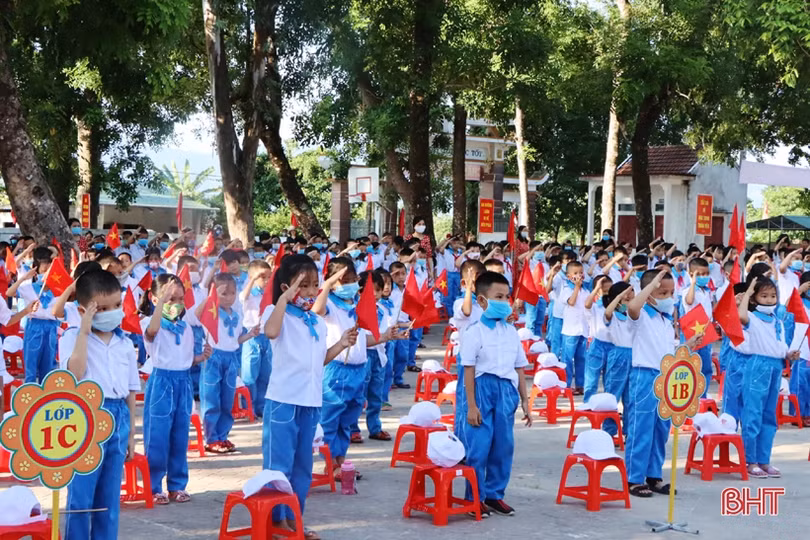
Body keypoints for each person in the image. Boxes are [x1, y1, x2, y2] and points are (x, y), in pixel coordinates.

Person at [261, 255, 356, 539]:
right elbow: (271, 331)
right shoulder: (275, 313)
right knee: (278, 465)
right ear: (285, 287)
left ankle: (294, 518)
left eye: (314, 285)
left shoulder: (316, 321)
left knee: (302, 466)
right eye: (303, 285)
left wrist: (341, 344)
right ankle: (274, 520)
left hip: (310, 402)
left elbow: (319, 361)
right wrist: (283, 300)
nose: (311, 291)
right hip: (283, 401)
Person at [60, 270, 139, 540]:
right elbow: (74, 374)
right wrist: (83, 330)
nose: (113, 312)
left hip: (118, 416)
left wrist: (131, 434)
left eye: (117, 305)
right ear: (83, 309)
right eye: (102, 309)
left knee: (109, 498)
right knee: (81, 497)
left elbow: (130, 391)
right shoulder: (71, 337)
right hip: (86, 416)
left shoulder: (124, 343)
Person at [457, 271, 531, 517]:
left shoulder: (510, 331)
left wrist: (525, 402)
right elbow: (469, 369)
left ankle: (494, 495)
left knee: (503, 446)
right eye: (498, 296)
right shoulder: (474, 332)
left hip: (506, 390)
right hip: (482, 389)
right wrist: (471, 406)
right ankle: (474, 497)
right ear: (481, 301)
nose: (505, 301)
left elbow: (519, 368)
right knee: (479, 447)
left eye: (507, 296)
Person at [625, 269, 699, 497]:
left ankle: (653, 475)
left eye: (671, 292)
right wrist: (649, 285)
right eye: (663, 292)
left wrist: (687, 346)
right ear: (649, 295)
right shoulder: (641, 316)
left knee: (660, 429)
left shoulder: (666, 321)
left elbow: (669, 352)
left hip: (666, 377)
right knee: (641, 427)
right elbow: (632, 307)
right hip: (645, 375)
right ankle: (634, 478)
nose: (669, 297)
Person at [140, 274, 212, 505]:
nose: (176, 304)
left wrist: (201, 357)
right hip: (162, 382)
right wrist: (160, 304)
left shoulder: (186, 327)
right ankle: (153, 485)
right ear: (155, 298)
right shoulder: (150, 322)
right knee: (157, 436)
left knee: (180, 434)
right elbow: (151, 332)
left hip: (183, 383)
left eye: (180, 299)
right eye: (170, 299)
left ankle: (177, 485)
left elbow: (185, 359)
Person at [738, 276, 798, 478]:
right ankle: (750, 460)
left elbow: (779, 346)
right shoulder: (752, 318)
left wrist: (789, 354)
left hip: (775, 366)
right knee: (753, 413)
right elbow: (740, 315)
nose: (769, 300)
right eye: (764, 296)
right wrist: (747, 292)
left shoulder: (778, 321)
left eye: (773, 296)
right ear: (755, 299)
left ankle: (764, 460)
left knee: (769, 416)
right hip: (758, 365)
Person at [195, 273, 256, 454]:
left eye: (232, 293)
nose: (229, 298)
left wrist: (251, 334)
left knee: (227, 399)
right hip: (213, 357)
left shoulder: (236, 315)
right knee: (211, 397)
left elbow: (237, 339)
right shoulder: (210, 311)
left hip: (230, 358)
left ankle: (222, 435)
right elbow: (196, 315)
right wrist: (210, 297)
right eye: (224, 294)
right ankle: (211, 438)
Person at [8, 247, 59, 383]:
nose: (48, 271)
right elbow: (9, 292)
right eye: (44, 268)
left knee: (48, 367)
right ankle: (29, 398)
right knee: (30, 364)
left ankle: (45, 400)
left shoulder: (59, 289)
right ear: (36, 269)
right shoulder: (28, 287)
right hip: (34, 325)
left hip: (51, 326)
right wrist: (23, 278)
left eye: (50, 268)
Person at [239, 260, 273, 418]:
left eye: (268, 277)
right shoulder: (249, 293)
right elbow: (242, 297)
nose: (266, 280)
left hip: (268, 336)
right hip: (251, 336)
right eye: (262, 277)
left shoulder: (270, 294)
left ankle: (262, 406)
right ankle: (249, 407)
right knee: (250, 374)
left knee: (266, 374)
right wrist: (253, 280)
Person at [602, 282, 634, 436]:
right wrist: (620, 296)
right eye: (626, 300)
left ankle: (629, 431)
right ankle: (609, 431)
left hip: (635, 355)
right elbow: (608, 312)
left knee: (631, 397)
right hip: (618, 355)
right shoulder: (613, 316)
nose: (629, 303)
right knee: (612, 395)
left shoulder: (635, 316)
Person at [680, 257, 715, 396]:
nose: (704, 277)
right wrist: (693, 283)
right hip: (692, 333)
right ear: (691, 274)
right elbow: (689, 301)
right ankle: (691, 396)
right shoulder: (687, 291)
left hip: (705, 332)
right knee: (691, 365)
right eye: (699, 274)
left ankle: (703, 396)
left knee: (705, 367)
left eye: (706, 274)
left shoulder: (707, 291)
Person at [559, 260, 588, 395]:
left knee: (581, 358)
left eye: (581, 273)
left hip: (583, 329)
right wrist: (576, 287)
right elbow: (571, 302)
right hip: (570, 330)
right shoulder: (566, 289)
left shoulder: (586, 290)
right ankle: (566, 385)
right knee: (567, 359)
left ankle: (580, 385)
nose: (579, 275)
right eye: (575, 273)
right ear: (569, 276)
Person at [583, 275, 613, 401]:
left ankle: (609, 404)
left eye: (610, 290)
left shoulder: (616, 307)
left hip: (613, 345)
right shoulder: (595, 307)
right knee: (592, 378)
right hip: (597, 344)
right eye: (604, 291)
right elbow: (587, 304)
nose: (608, 294)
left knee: (610, 379)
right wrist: (596, 289)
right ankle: (588, 403)